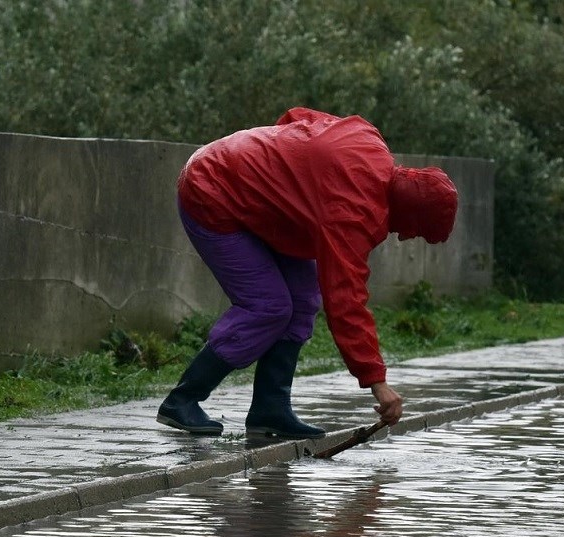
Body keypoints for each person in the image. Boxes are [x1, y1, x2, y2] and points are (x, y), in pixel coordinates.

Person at [157, 106, 459, 439]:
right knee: (267, 307)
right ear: (410, 213)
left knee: (302, 301)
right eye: (414, 230)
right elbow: (346, 302)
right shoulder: (354, 215)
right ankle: (182, 400)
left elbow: (295, 116)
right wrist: (378, 383)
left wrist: (282, 176)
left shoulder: (368, 138)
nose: (404, 237)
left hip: (255, 198)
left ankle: (270, 410)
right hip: (211, 191)